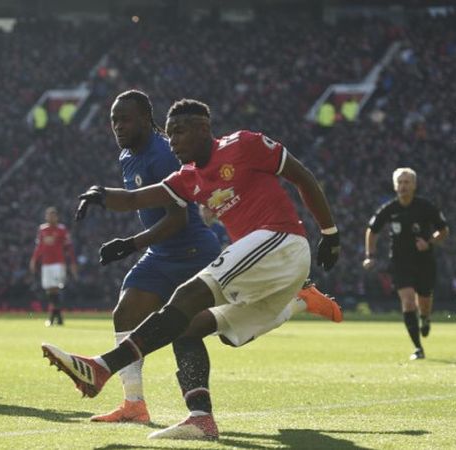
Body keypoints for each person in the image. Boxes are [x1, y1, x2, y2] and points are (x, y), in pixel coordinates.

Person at [41, 98, 342, 441]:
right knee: (188, 328)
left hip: (282, 240)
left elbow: (301, 175)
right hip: (267, 268)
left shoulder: (243, 144)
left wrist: (329, 233)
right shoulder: (188, 177)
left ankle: (102, 366)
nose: (173, 142)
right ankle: (201, 418)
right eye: (169, 136)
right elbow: (138, 198)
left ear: (204, 129)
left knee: (186, 296)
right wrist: (101, 194)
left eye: (180, 132)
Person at [74, 90, 222, 423]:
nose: (118, 126)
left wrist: (130, 244)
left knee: (188, 329)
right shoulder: (127, 156)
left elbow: (178, 217)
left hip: (193, 252)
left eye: (125, 119)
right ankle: (134, 404)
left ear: (146, 118)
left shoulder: (163, 153)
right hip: (160, 254)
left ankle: (295, 298)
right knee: (125, 313)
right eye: (113, 120)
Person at [363, 168, 449, 360]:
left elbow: (443, 230)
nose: (403, 186)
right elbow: (372, 230)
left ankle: (425, 318)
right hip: (400, 263)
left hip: (424, 261)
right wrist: (370, 255)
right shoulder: (389, 209)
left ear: (414, 185)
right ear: (395, 186)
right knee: (408, 301)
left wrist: (430, 242)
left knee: (424, 300)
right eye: (400, 182)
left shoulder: (426, 207)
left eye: (407, 182)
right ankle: (418, 348)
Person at [29, 206, 77, 327]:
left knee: (55, 288)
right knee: (49, 290)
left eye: (53, 215)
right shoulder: (42, 229)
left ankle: (53, 317)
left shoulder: (62, 229)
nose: (50, 217)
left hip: (58, 263)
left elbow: (69, 247)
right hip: (46, 264)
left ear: (57, 217)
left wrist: (72, 263)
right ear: (46, 216)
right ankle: (58, 317)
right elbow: (39, 247)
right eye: (48, 215)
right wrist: (34, 260)